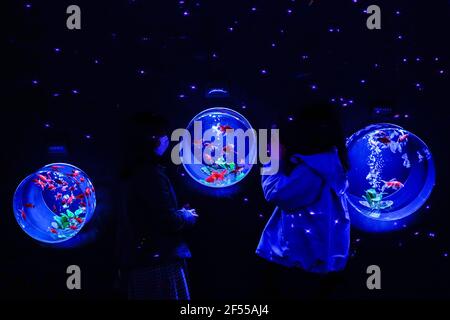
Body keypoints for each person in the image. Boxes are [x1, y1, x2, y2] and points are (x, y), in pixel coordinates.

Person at [256, 102, 350, 299]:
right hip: (316, 263)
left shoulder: (313, 170)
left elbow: (274, 192)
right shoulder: (329, 163)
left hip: (301, 265)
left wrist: (273, 158)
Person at [118, 112, 198, 300]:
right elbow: (165, 220)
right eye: (163, 134)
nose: (167, 139)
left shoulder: (131, 171)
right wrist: (186, 216)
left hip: (140, 260)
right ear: (151, 139)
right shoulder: (151, 174)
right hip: (159, 261)